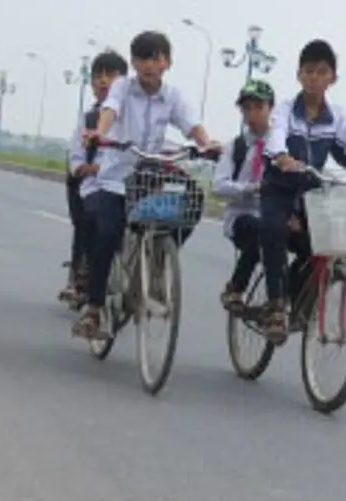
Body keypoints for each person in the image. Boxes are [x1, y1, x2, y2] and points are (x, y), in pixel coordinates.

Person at [72, 30, 219, 341]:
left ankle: (160, 257)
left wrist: (206, 144)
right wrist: (100, 132)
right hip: (116, 177)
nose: (150, 64)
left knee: (192, 199)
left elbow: (191, 123)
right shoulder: (123, 87)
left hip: (151, 175)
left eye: (157, 57)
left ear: (167, 61)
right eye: (143, 58)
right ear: (135, 63)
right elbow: (109, 109)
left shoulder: (174, 96)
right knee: (107, 232)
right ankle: (94, 308)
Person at [259, 39, 346, 338]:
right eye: (308, 71)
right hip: (279, 190)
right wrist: (282, 157)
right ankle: (275, 303)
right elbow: (275, 136)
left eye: (321, 72)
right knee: (275, 233)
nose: (314, 78)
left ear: (332, 77)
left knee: (321, 245)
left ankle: (296, 297)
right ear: (299, 74)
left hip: (310, 194)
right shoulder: (284, 111)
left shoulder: (337, 118)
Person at [59, 50, 129, 307]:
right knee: (88, 220)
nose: (103, 81)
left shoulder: (134, 115)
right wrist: (91, 169)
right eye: (97, 76)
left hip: (126, 182)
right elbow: (75, 159)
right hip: (92, 182)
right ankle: (80, 272)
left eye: (110, 75)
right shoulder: (89, 119)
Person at [212, 80, 281, 318]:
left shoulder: (281, 145)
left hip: (274, 215)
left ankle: (288, 298)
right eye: (247, 108)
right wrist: (249, 189)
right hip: (241, 216)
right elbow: (219, 185)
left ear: (270, 108)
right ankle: (235, 288)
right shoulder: (236, 147)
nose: (252, 114)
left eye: (258, 107)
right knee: (258, 232)